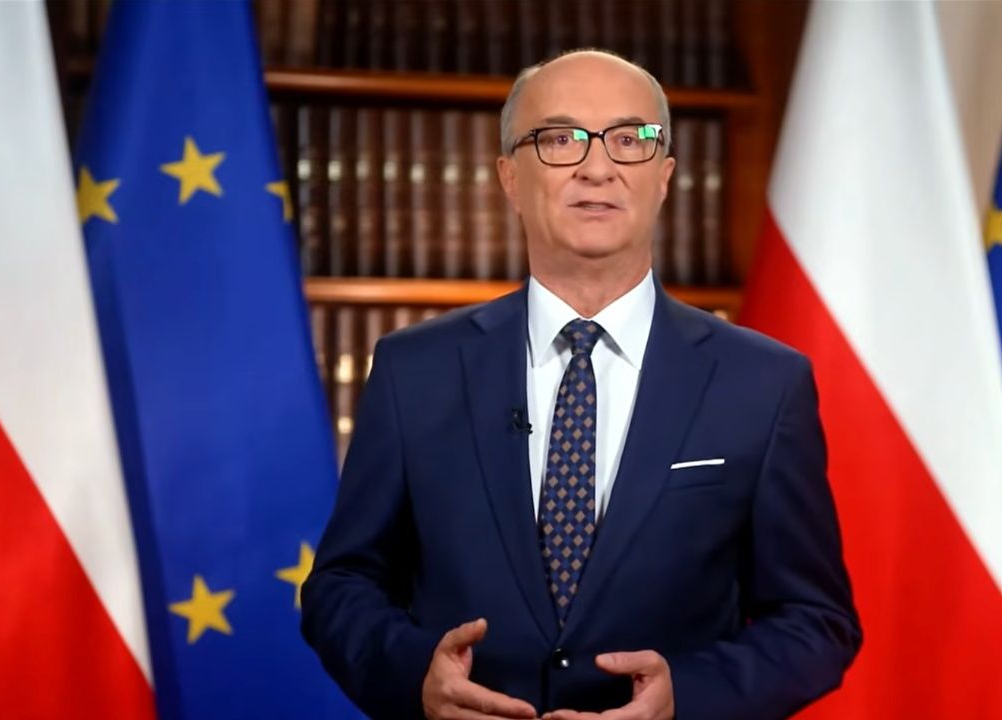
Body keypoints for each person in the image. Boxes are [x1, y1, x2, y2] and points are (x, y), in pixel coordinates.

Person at [301, 49, 861, 720]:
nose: (598, 167)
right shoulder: (413, 370)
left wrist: (688, 697)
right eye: (561, 139)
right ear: (510, 177)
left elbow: (814, 620)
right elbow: (341, 585)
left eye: (630, 139)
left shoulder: (763, 383)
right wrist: (416, 675)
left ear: (664, 176)